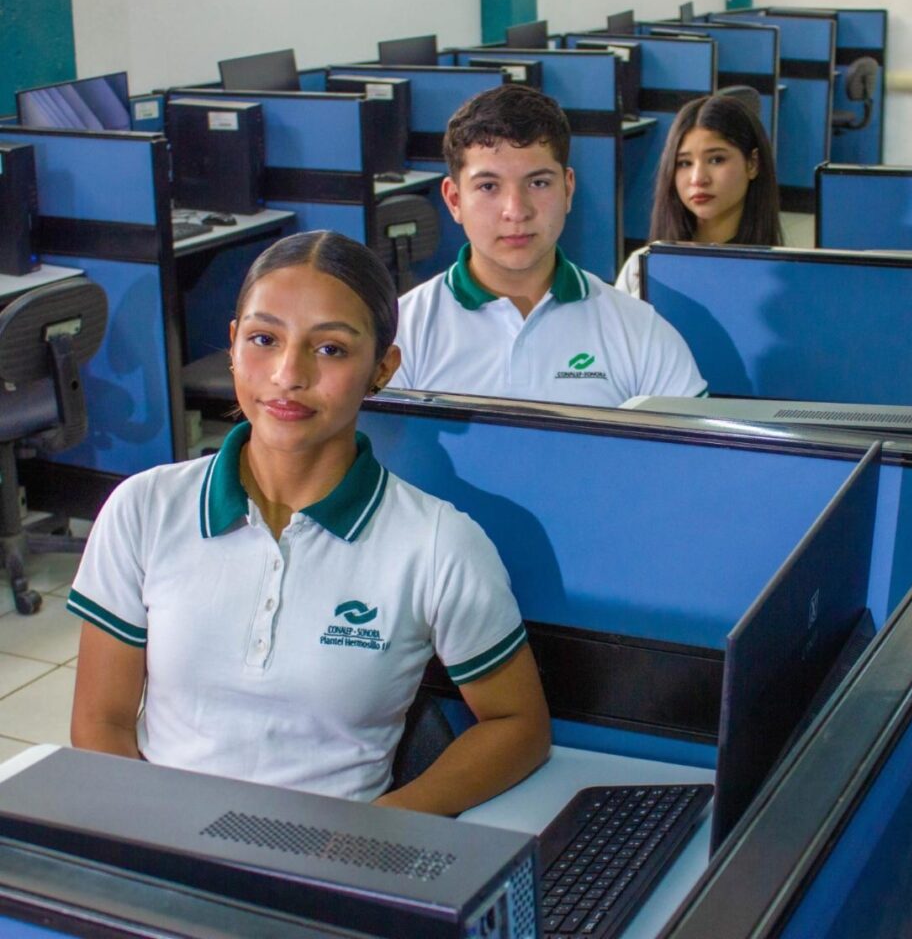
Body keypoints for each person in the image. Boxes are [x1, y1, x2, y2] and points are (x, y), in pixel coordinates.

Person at [68, 230, 551, 816]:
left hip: (336, 854)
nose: (288, 374)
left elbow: (517, 724)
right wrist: (149, 836)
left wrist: (386, 828)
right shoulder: (143, 508)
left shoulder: (439, 545)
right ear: (233, 345)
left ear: (382, 368)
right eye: (264, 339)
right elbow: (101, 721)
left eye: (330, 349)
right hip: (161, 837)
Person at [389, 83, 706, 405]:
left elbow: (690, 437)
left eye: (538, 183)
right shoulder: (402, 332)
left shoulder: (640, 331)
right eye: (488, 186)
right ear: (454, 200)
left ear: (568, 190)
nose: (516, 211)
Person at [615, 93, 783, 297]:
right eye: (684, 163)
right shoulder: (640, 270)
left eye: (716, 159)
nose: (698, 178)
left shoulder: (784, 277)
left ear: (752, 164)